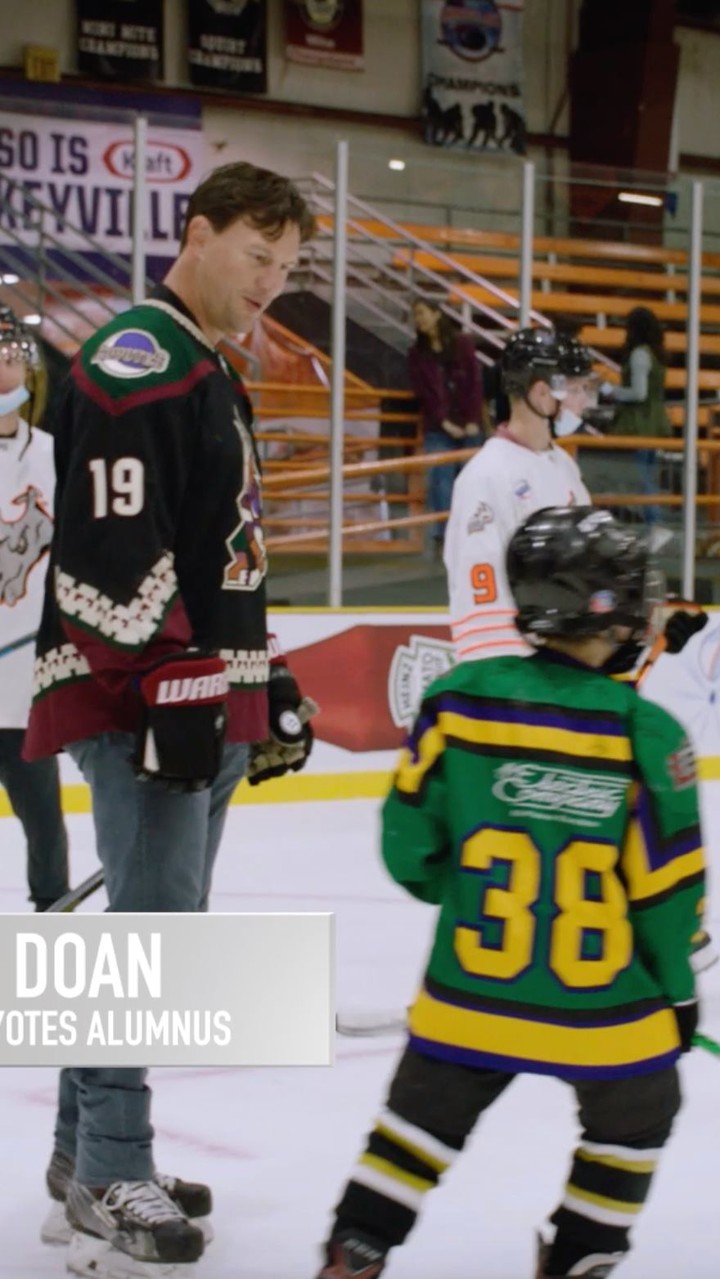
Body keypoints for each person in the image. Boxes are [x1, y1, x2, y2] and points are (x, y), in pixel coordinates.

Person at [23, 160, 317, 1279]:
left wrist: (261, 675)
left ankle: (79, 1155)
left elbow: (217, 549)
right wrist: (174, 688)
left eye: (288, 268)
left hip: (196, 698)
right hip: (148, 702)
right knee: (148, 951)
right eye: (257, 255)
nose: (271, 283)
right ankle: (113, 1169)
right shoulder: (135, 358)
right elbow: (111, 551)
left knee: (152, 944)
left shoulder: (200, 362)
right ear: (196, 233)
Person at [315, 506, 705, 1279]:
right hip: (605, 1010)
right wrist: (678, 992)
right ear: (608, 608)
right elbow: (667, 893)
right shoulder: (647, 732)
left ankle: (356, 1248)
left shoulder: (457, 699)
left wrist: (458, 888)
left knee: (416, 1125)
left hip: (470, 993)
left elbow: (407, 843)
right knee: (639, 1116)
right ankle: (582, 1257)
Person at [0, 307, 69, 910]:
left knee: (43, 819)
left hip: (24, 680)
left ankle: (55, 917)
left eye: (10, 355)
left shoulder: (53, 454)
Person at [406, 297, 486, 552]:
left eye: (422, 313)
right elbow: (423, 393)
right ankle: (444, 535)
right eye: (416, 315)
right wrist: (443, 421)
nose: (419, 319)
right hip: (438, 426)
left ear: (436, 314)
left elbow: (474, 383)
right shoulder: (416, 354)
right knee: (441, 481)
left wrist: (472, 419)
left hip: (467, 422)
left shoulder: (462, 345)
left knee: (472, 479)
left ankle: (473, 532)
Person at [601, 307, 672, 527]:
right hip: (654, 420)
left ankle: (654, 522)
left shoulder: (639, 354)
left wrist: (611, 391)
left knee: (642, 476)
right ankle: (652, 522)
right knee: (647, 473)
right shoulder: (655, 353)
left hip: (638, 422)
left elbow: (639, 393)